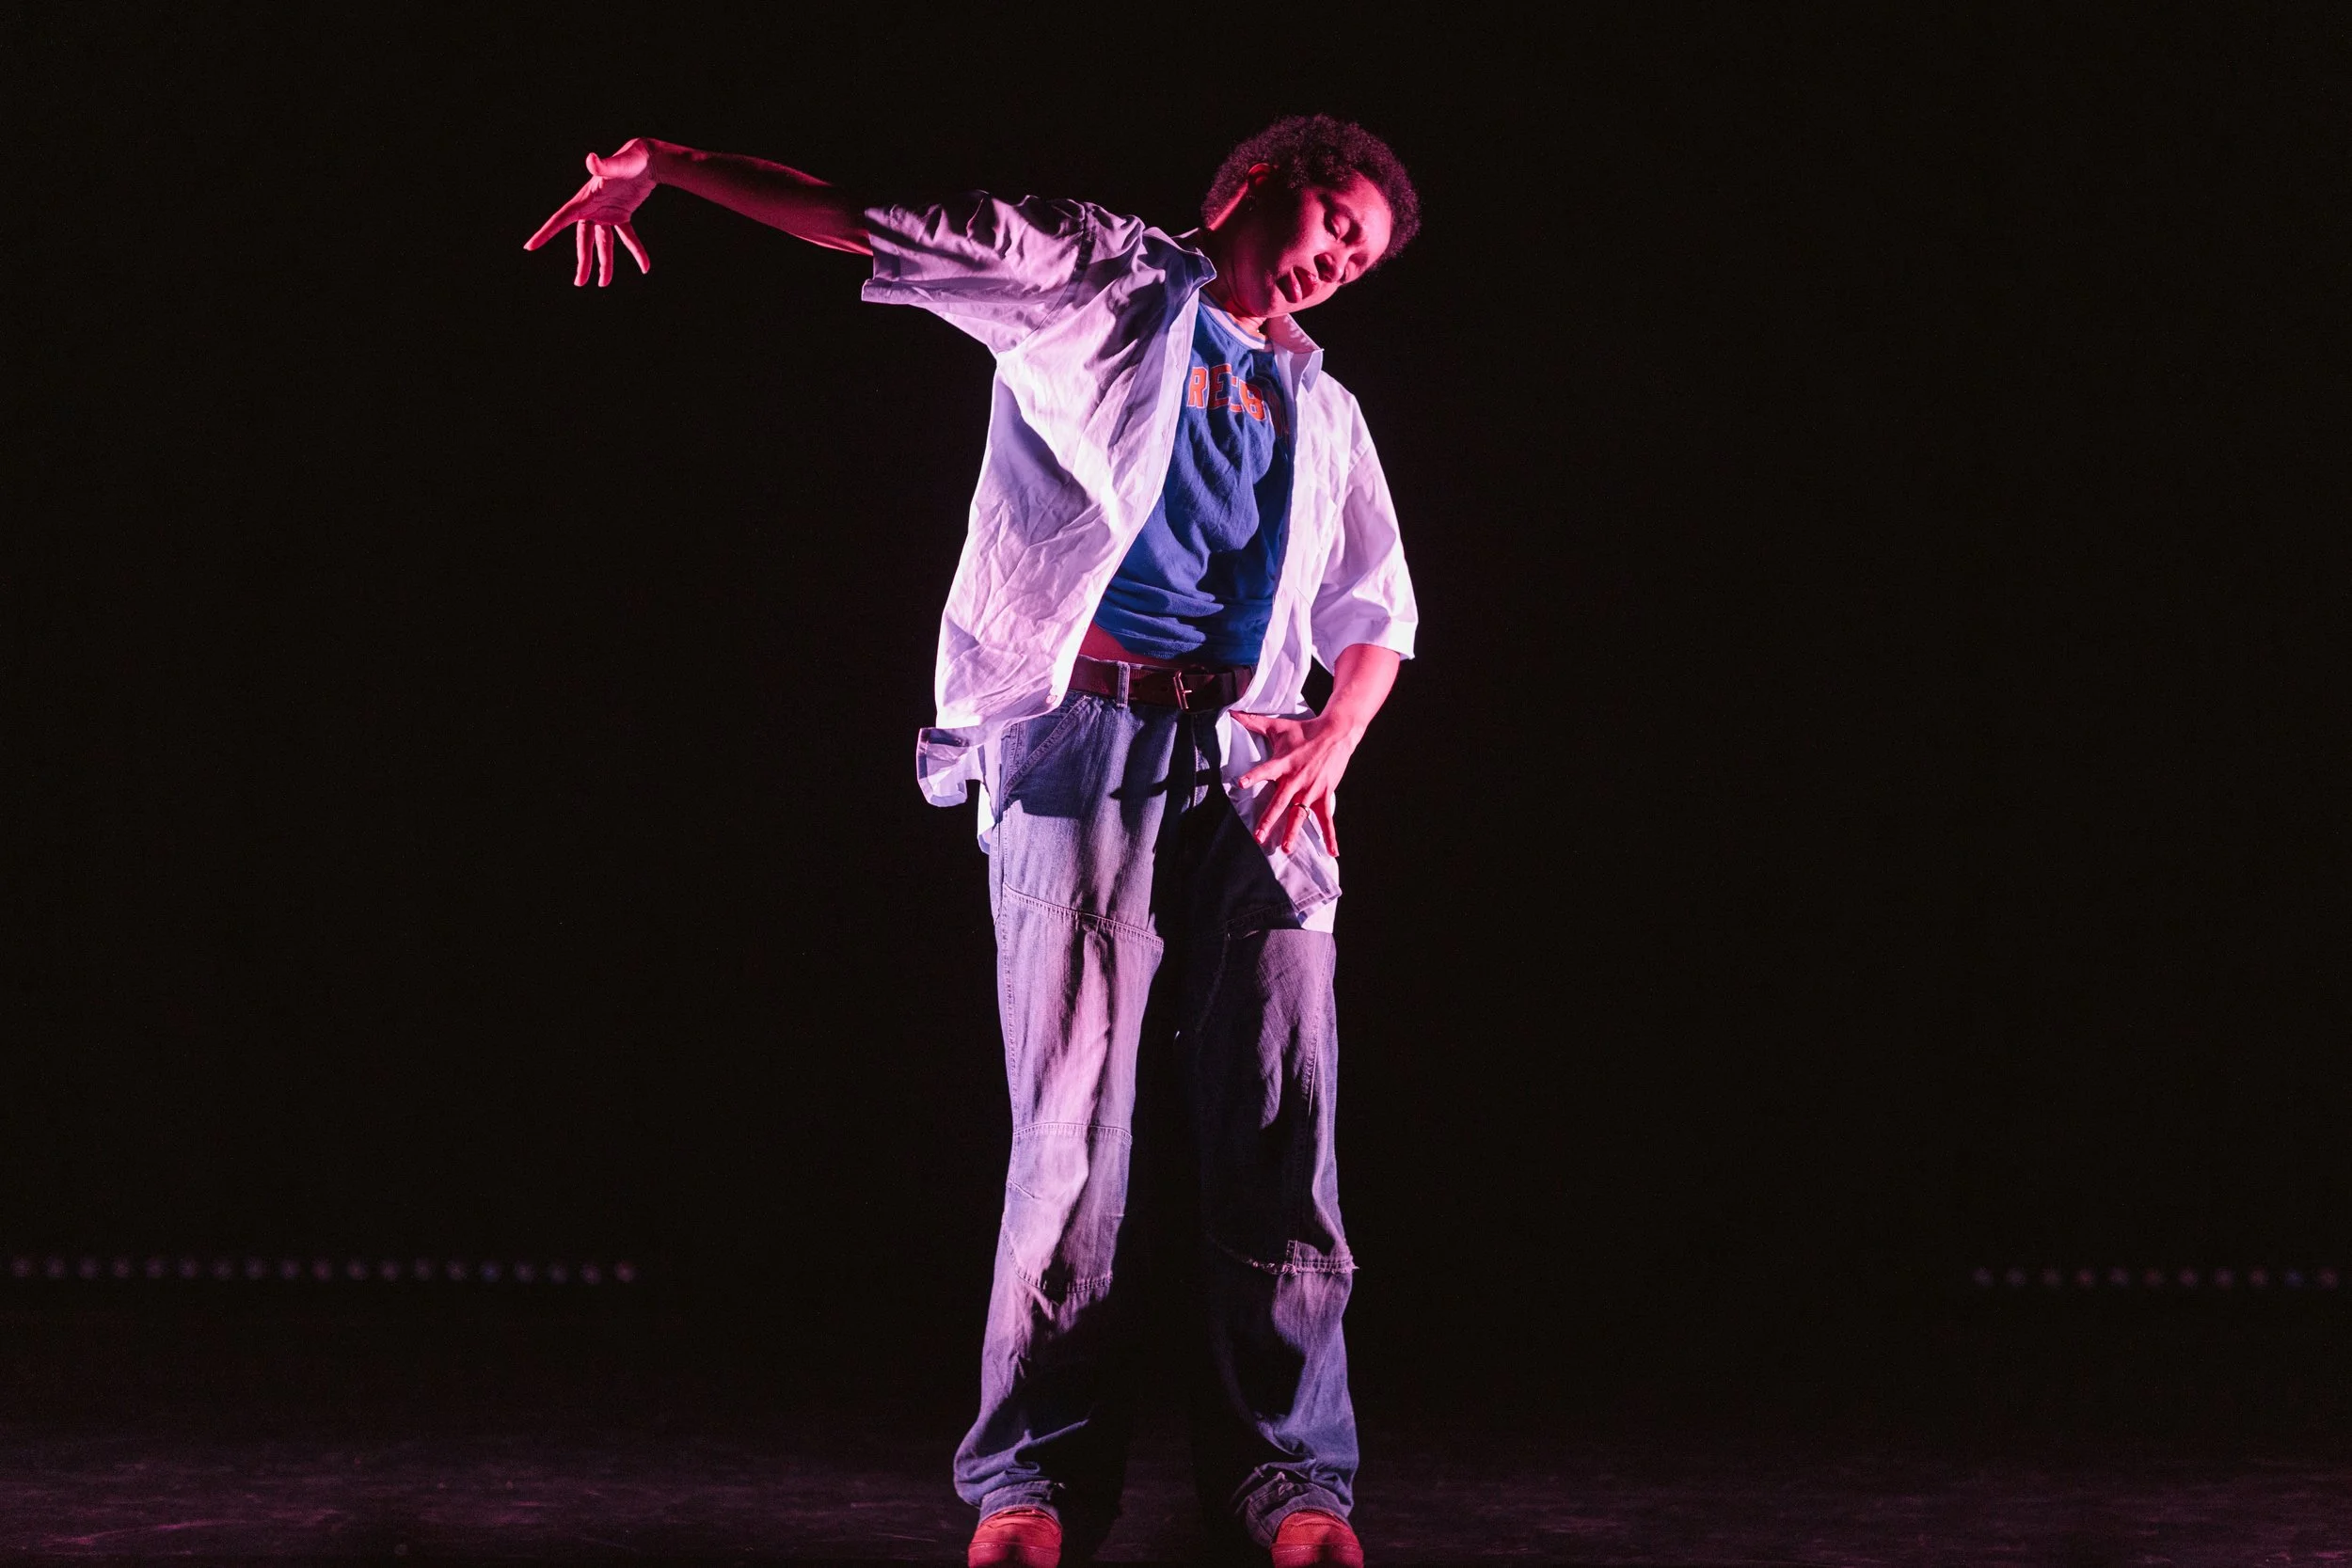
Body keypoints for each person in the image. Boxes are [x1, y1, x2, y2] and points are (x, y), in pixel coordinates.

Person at [528, 115, 1421, 1568]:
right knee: (1071, 1134)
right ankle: (1034, 1483)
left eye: (1363, 259)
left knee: (1279, 1131)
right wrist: (670, 167)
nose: (1338, 263)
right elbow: (864, 218)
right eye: (1335, 222)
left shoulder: (1323, 405)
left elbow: (1378, 613)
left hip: (1253, 774)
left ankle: (1298, 1481)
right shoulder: (1096, 279)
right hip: (1085, 739)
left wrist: (1335, 737)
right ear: (1260, 181)